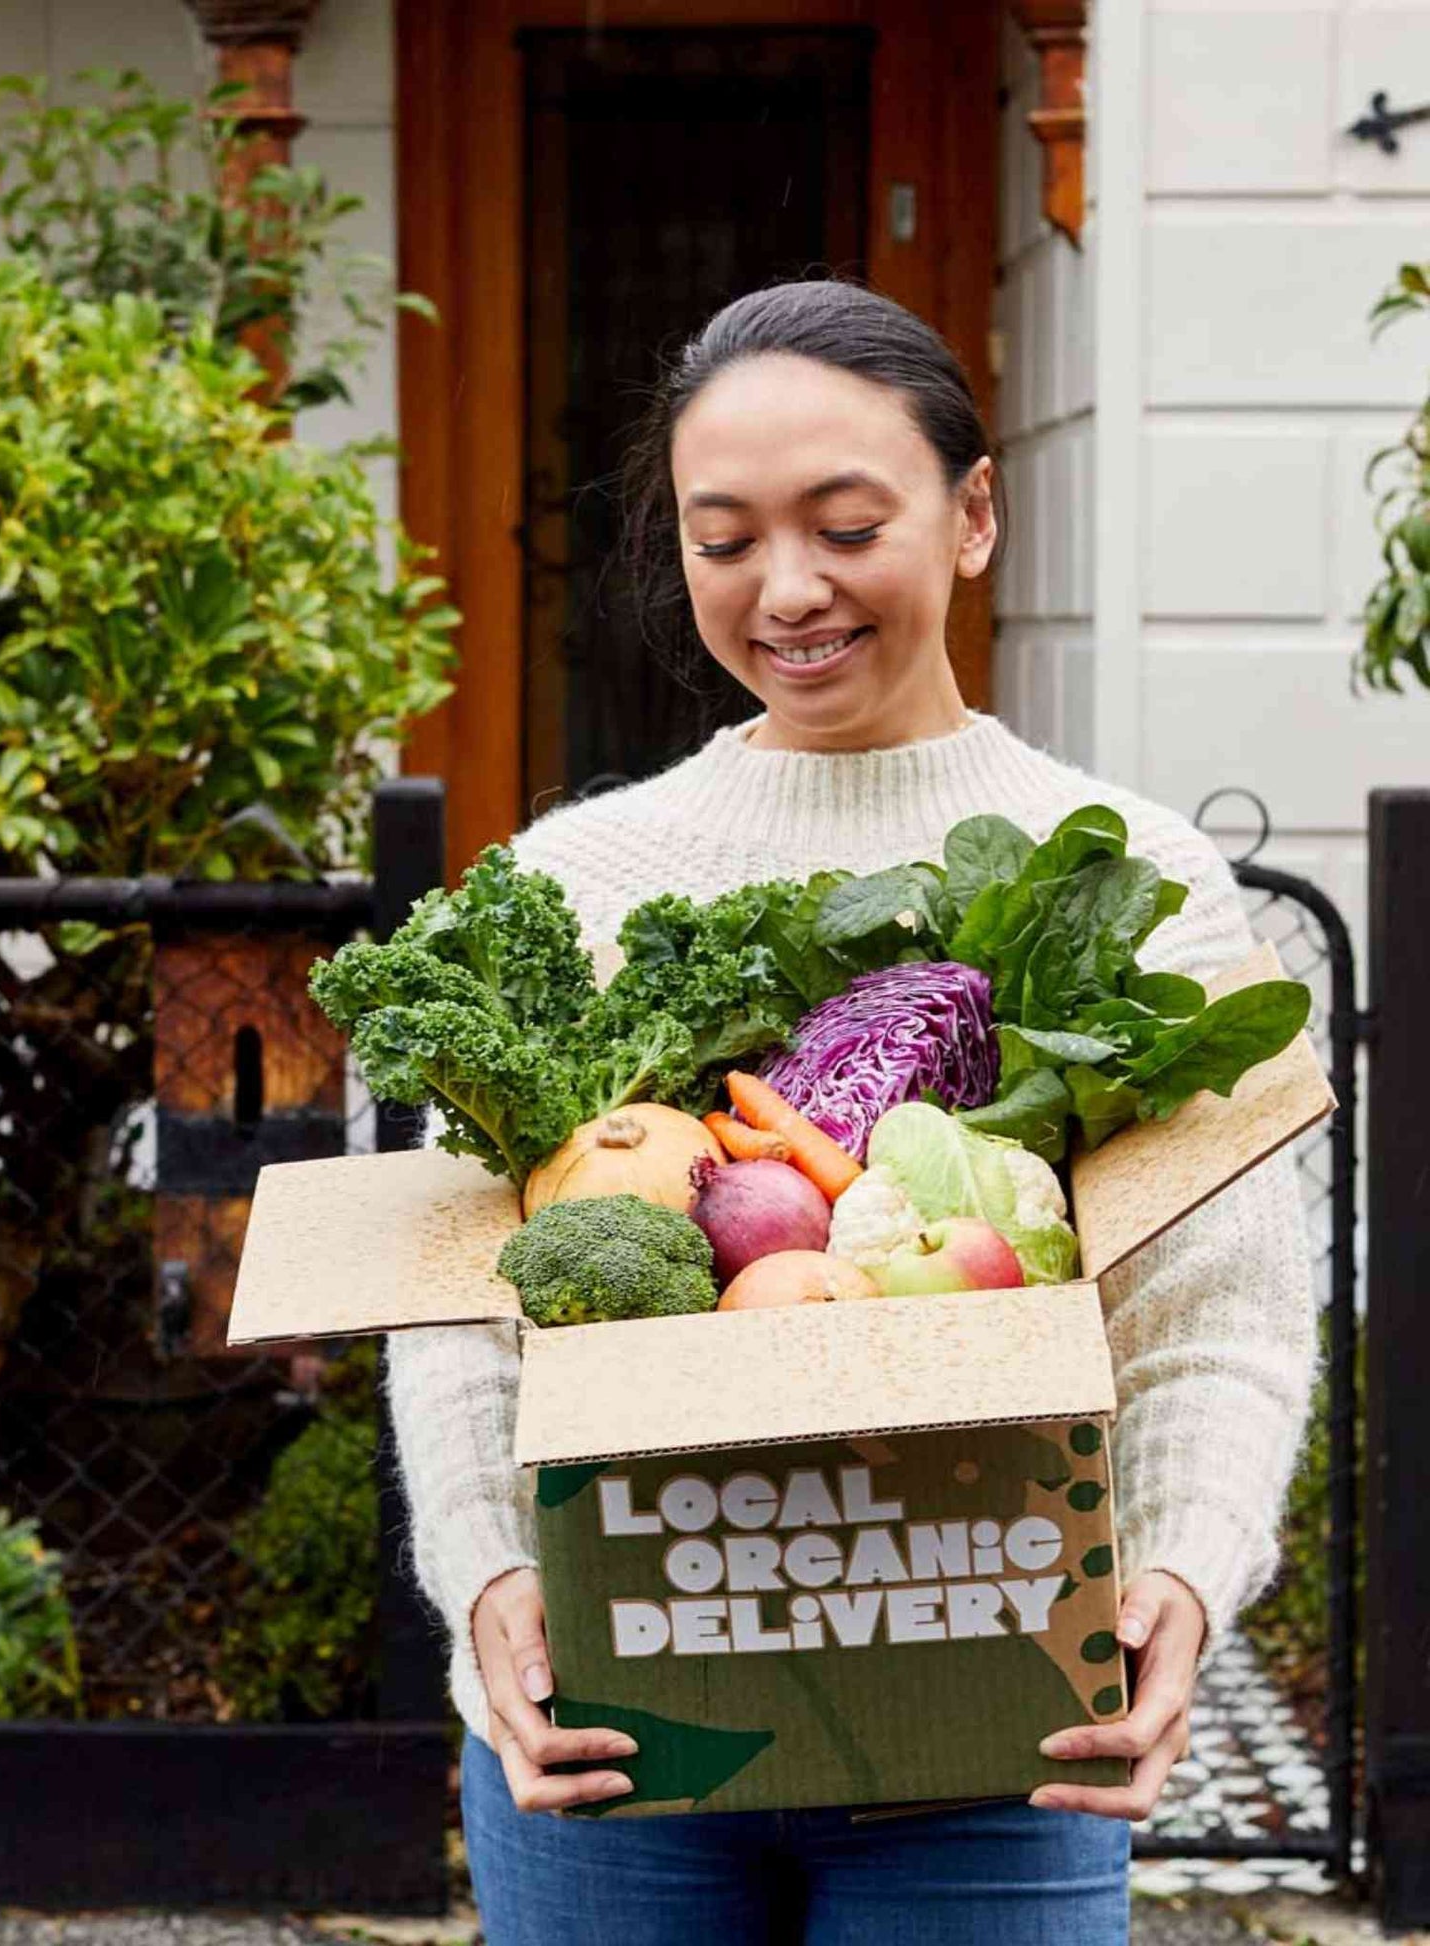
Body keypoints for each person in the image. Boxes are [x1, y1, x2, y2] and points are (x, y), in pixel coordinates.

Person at [383, 280, 1316, 1945]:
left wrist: (1172, 1576)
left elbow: (1217, 1314)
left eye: (844, 523)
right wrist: (491, 1585)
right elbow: (459, 1311)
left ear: (970, 514)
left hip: (997, 1735)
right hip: (619, 1724)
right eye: (722, 535)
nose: (787, 589)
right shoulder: (579, 878)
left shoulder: (1132, 878)